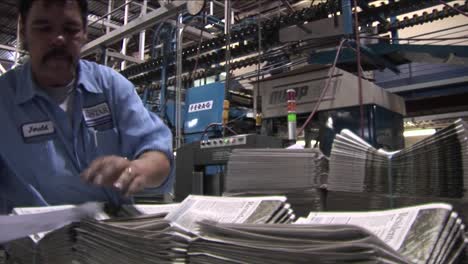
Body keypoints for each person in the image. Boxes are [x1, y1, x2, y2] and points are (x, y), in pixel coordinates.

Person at [0, 0, 174, 214]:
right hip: (32, 240)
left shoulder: (110, 86)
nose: (58, 40)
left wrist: (137, 169)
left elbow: (158, 155)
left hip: (111, 235)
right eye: (43, 28)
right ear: (23, 32)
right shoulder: (4, 100)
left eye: (70, 29)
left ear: (84, 34)